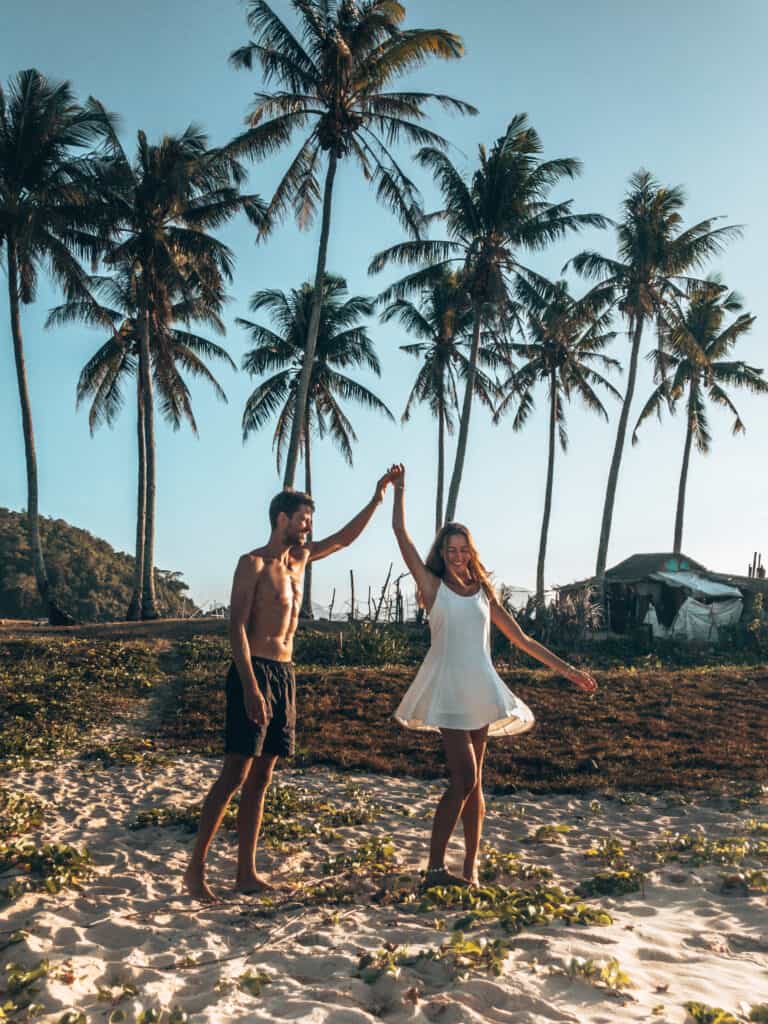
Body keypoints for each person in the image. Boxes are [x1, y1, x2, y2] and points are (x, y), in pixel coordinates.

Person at [183, 472, 395, 901]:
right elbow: (237, 629)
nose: (308, 527)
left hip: (285, 672)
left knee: (263, 776)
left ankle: (246, 872)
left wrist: (376, 500)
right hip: (255, 670)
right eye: (302, 519)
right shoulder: (252, 563)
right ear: (282, 518)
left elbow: (344, 539)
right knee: (234, 774)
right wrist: (250, 687)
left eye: (310, 521)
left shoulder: (298, 561)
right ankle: (195, 869)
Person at [388, 463, 597, 887]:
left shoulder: (483, 592)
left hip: (481, 690)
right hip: (448, 690)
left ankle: (471, 870)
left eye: (463, 548)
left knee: (477, 785)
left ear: (472, 551)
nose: (458, 555)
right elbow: (403, 539)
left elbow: (521, 640)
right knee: (462, 778)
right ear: (442, 554)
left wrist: (569, 672)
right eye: (450, 549)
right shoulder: (433, 587)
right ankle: (433, 870)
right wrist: (400, 491)